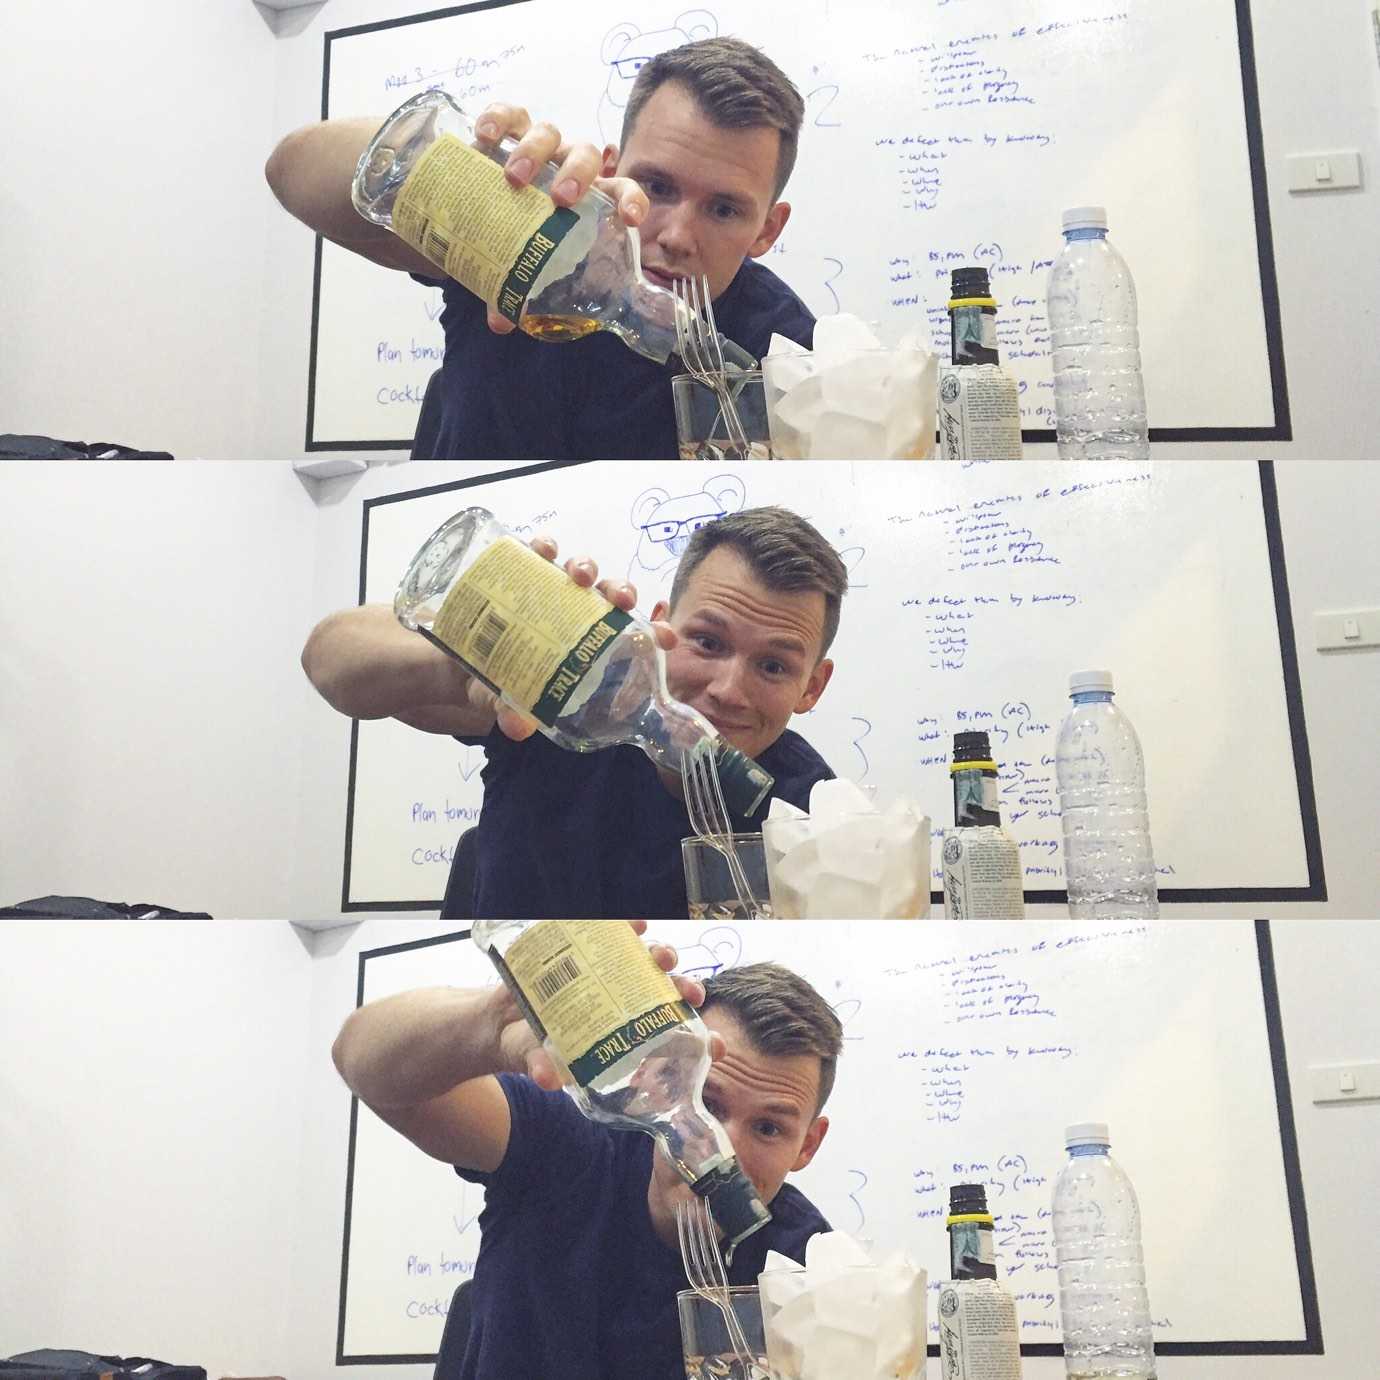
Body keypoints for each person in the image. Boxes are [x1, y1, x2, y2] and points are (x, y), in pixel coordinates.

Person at [265, 37, 815, 460]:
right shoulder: (540, 237)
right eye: (657, 186)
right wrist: (476, 170)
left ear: (768, 230)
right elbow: (292, 170)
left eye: (724, 210)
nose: (675, 235)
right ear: (610, 170)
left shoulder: (785, 350)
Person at [331, 934, 843, 1380]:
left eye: (769, 1128)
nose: (721, 1143)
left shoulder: (804, 1263)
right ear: (661, 1077)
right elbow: (360, 1060)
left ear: (807, 1146)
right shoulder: (566, 1143)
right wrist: (492, 1025)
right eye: (706, 1102)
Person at [302, 505, 848, 918]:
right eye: (706, 642)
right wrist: (481, 670)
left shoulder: (813, 818)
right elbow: (330, 659)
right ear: (659, 626)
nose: (729, 689)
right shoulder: (584, 693)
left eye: (773, 667)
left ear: (813, 687)